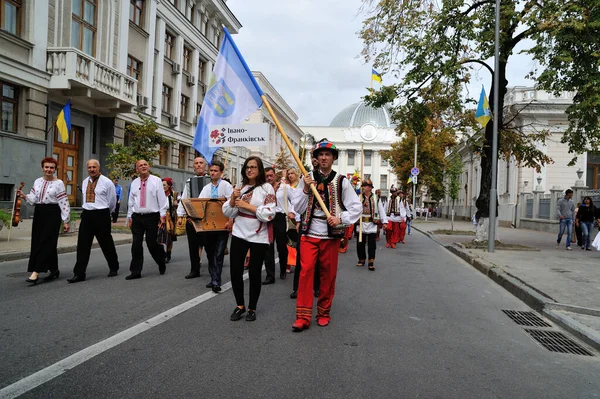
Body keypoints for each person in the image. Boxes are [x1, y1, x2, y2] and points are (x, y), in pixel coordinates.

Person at [290, 139, 361, 332]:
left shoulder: (341, 181)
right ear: (316, 158)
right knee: (305, 272)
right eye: (320, 154)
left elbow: (356, 207)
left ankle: (323, 312)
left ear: (333, 158)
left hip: (330, 236)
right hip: (309, 233)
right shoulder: (307, 178)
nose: (323, 158)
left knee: (328, 275)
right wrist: (305, 189)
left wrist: (340, 218)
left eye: (327, 155)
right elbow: (296, 207)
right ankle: (303, 316)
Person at [223, 156, 276, 322]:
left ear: (259, 169)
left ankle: (252, 307)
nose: (249, 169)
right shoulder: (240, 187)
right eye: (247, 167)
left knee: (254, 272)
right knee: (235, 270)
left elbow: (269, 213)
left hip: (258, 234)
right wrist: (232, 199)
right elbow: (228, 212)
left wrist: (246, 206)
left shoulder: (267, 188)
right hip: (239, 232)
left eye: (253, 167)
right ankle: (240, 305)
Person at [18, 157, 70, 284]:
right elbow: (34, 198)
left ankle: (36, 272)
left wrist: (66, 220)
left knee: (46, 242)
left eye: (52, 167)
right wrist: (24, 196)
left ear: (55, 169)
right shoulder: (37, 181)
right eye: (46, 167)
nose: (49, 170)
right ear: (42, 168)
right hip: (40, 213)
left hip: (53, 214)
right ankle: (54, 269)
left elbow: (63, 202)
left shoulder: (59, 183)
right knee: (39, 241)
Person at [67, 159, 120, 283]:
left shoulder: (107, 182)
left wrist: (107, 213)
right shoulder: (85, 182)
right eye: (89, 167)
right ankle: (79, 273)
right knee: (82, 245)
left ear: (98, 168)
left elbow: (112, 201)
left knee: (106, 243)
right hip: (87, 215)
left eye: (94, 167)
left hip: (101, 214)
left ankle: (113, 266)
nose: (92, 169)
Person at [126, 159, 168, 279]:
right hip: (137, 217)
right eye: (140, 165)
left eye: (145, 164)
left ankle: (161, 260)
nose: (143, 167)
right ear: (137, 169)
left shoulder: (156, 181)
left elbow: (162, 200)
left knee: (152, 243)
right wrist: (129, 216)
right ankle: (135, 271)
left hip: (152, 217)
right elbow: (131, 201)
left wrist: (162, 216)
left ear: (148, 166)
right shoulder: (134, 183)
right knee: (136, 244)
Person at [200, 161, 233, 293]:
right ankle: (213, 276)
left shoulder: (226, 186)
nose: (212, 172)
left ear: (221, 172)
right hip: (209, 226)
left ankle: (216, 281)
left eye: (215, 170)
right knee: (210, 252)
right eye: (211, 170)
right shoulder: (206, 188)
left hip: (222, 226)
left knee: (219, 253)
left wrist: (231, 220)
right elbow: (201, 203)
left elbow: (232, 203)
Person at [263, 167, 296, 284]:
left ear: (275, 176)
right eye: (266, 176)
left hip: (280, 217)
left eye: (271, 175)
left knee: (282, 246)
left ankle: (283, 269)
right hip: (267, 218)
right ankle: (270, 275)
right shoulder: (263, 188)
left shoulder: (285, 187)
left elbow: (295, 201)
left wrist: (292, 212)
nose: (269, 178)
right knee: (268, 247)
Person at [177, 156, 208, 279]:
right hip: (192, 218)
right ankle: (195, 269)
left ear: (205, 166)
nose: (199, 165)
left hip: (207, 219)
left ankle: (214, 268)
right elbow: (184, 198)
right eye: (196, 163)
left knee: (210, 245)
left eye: (201, 163)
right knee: (193, 246)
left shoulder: (212, 180)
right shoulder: (189, 182)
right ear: (193, 166)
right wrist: (180, 215)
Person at [356, 179, 387, 271]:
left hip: (372, 224)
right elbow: (353, 209)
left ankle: (371, 261)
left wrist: (384, 221)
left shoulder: (376, 198)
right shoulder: (358, 197)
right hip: (361, 223)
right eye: (365, 186)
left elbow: (381, 210)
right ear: (362, 187)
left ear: (371, 188)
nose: (366, 188)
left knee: (372, 244)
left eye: (368, 186)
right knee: (360, 243)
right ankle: (361, 259)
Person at [162, 177, 178, 263]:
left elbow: (179, 205)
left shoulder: (173, 194)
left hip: (169, 218)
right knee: (159, 237)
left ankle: (168, 254)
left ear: (169, 185)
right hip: (160, 217)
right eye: (161, 185)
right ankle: (162, 253)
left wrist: (176, 204)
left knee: (169, 238)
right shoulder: (158, 194)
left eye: (164, 185)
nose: (162, 187)